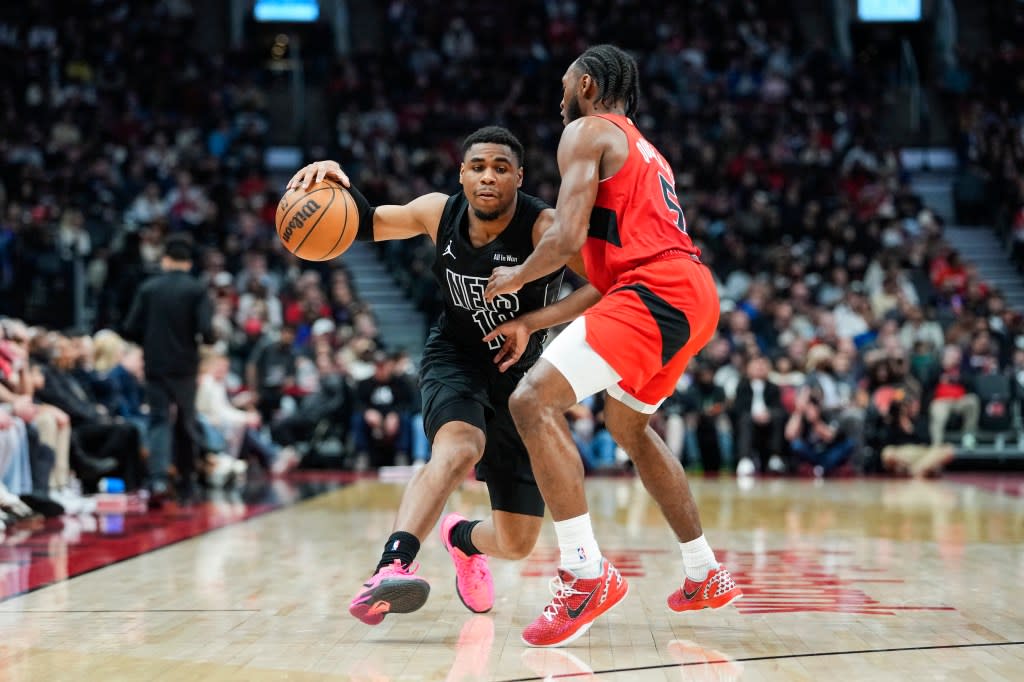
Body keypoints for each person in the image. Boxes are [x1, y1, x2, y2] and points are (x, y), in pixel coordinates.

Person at [287, 126, 601, 626]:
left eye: (501, 168)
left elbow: (603, 285)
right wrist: (336, 184)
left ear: (518, 177)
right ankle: (391, 565)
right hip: (454, 357)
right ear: (462, 174)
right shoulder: (438, 211)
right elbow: (364, 223)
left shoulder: (544, 226)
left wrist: (530, 323)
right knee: (459, 448)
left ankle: (460, 539)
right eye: (477, 167)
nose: (488, 177)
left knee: (518, 542)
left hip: (521, 383)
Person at [483, 45, 742, 647]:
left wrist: (515, 278)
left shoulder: (587, 131)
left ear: (591, 87)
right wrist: (535, 319)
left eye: (567, 85)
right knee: (628, 427)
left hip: (656, 290)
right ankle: (704, 569)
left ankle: (584, 573)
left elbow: (569, 236)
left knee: (530, 402)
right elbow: (601, 284)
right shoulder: (646, 154)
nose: (561, 98)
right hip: (690, 295)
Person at [122, 233, 214, 501]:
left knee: (159, 420)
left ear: (166, 259)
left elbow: (130, 328)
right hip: (185, 366)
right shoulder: (196, 289)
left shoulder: (149, 288)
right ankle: (187, 479)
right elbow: (206, 332)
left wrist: (149, 341)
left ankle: (159, 480)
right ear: (188, 262)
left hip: (155, 365)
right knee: (186, 421)